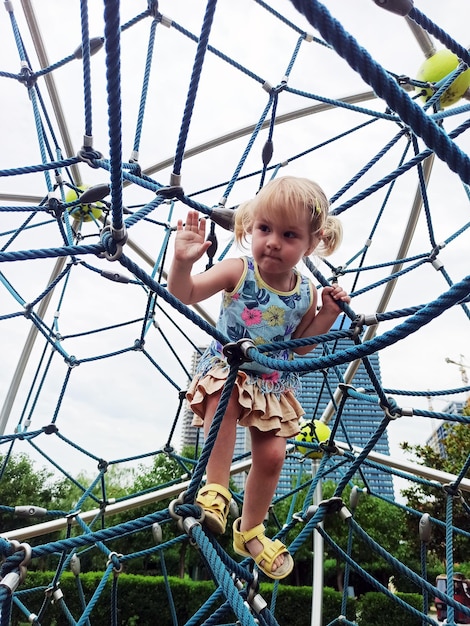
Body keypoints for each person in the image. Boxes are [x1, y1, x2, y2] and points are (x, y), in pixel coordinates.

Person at [168, 175, 350, 579]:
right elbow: (186, 293)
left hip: (269, 383)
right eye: (265, 229)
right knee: (224, 404)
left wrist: (326, 314)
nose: (272, 242)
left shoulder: (304, 290)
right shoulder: (239, 268)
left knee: (273, 456)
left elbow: (300, 346)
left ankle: (249, 530)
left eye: (289, 235)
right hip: (229, 369)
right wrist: (183, 262)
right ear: (250, 227)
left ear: (312, 243)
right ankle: (214, 490)